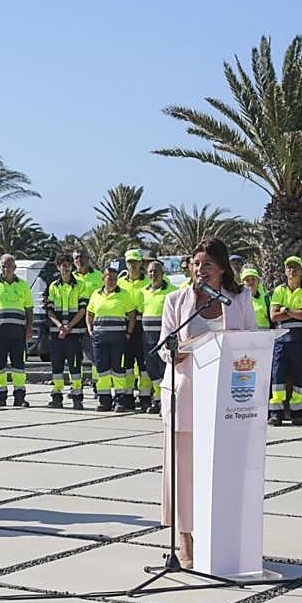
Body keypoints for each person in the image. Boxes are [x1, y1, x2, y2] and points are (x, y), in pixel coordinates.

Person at [158, 237, 255, 568]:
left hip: (226, 400)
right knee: (184, 472)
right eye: (195, 264)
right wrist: (183, 347)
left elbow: (252, 342)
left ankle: (221, 538)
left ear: (223, 269)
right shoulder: (176, 301)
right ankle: (185, 541)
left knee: (223, 471)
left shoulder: (240, 299)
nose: (200, 270)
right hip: (186, 394)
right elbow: (163, 348)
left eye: (208, 265)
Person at [0, 254, 35, 407]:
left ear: (15, 268)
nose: (5, 269)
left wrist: (29, 329)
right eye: (3, 266)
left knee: (19, 367)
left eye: (8, 266)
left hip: (19, 333)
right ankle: (0, 396)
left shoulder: (23, 285)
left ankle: (19, 397)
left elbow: (29, 309)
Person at [268, 256, 302, 426]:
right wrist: (295, 312)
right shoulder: (279, 290)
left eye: (295, 267)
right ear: (284, 271)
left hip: (300, 341)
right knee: (277, 377)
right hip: (281, 341)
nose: (292, 270)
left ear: (301, 271)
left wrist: (286, 310)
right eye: (289, 267)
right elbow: (273, 316)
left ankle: (297, 413)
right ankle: (276, 413)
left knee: (299, 378)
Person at [86, 266, 138, 412]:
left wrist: (129, 333)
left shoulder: (124, 294)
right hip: (99, 339)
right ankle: (104, 401)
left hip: (118, 340)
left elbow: (132, 315)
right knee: (102, 370)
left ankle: (120, 401)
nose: (112, 281)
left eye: (115, 278)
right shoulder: (96, 294)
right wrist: (90, 330)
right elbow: (89, 313)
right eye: (109, 278)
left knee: (118, 370)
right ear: (103, 279)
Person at [45, 255, 88, 409]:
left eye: (68, 265)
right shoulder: (53, 286)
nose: (66, 268)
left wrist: (69, 326)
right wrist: (59, 326)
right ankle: (56, 396)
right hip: (57, 334)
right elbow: (49, 310)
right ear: (58, 267)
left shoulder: (80, 285)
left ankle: (77, 397)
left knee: (75, 366)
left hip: (74, 334)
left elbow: (83, 309)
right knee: (56, 366)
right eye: (63, 265)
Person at [141, 259, 178, 415]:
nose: (153, 274)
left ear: (162, 273)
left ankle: (168, 403)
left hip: (164, 337)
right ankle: (158, 399)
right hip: (147, 337)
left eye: (156, 271)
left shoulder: (172, 291)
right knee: (152, 369)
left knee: (165, 369)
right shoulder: (143, 291)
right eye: (150, 271)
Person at [118, 249, 152, 411]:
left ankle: (145, 396)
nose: (132, 265)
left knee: (143, 363)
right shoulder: (120, 283)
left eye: (135, 262)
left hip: (142, 326)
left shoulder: (148, 282)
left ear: (141, 263)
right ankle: (128, 395)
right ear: (126, 263)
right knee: (127, 364)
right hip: (124, 326)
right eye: (130, 262)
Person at [73, 249, 105, 393]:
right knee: (74, 357)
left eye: (82, 257)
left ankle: (97, 385)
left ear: (88, 258)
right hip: (74, 322)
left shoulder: (98, 276)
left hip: (93, 321)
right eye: (76, 258)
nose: (79, 260)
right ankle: (76, 387)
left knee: (95, 356)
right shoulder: (70, 277)